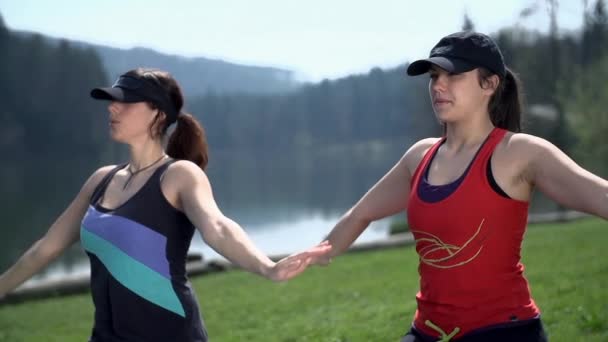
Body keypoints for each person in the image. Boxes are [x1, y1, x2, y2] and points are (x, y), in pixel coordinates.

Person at [306, 31, 608, 341]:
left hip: (504, 331)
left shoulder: (520, 153)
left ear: (489, 84)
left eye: (453, 75)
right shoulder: (420, 156)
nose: (438, 85)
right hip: (428, 332)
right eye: (434, 76)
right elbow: (361, 214)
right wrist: (318, 254)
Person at [0, 68, 331, 342]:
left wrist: (267, 267)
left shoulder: (179, 175)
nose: (112, 108)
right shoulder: (100, 179)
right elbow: (46, 248)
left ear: (157, 114)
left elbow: (217, 227)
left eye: (124, 102)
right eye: (111, 102)